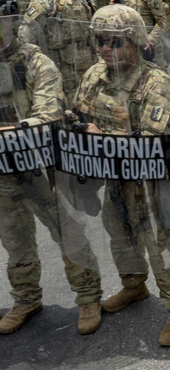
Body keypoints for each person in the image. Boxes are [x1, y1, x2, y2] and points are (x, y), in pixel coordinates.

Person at [72, 4, 170, 347]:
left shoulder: (157, 82)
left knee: (160, 246)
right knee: (120, 237)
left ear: (136, 41)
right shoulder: (94, 75)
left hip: (151, 183)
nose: (105, 48)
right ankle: (133, 286)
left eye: (113, 41)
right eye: (100, 41)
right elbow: (79, 114)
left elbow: (151, 141)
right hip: (113, 179)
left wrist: (98, 136)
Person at [0, 6, 103, 335]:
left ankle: (89, 297)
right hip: (3, 170)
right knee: (15, 239)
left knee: (67, 233)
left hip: (42, 166)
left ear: (14, 24)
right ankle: (26, 299)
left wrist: (10, 132)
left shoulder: (36, 62)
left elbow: (49, 112)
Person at [17, 0, 98, 102]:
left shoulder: (86, 1)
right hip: (62, 80)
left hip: (87, 76)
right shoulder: (46, 3)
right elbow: (25, 37)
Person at [118, 0, 170, 70]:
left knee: (157, 74)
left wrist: (150, 40)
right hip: (128, 45)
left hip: (148, 46)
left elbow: (161, 22)